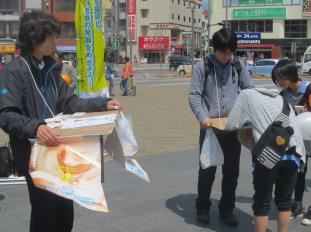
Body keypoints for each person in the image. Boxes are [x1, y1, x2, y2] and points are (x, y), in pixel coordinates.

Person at [0, 11, 121, 232]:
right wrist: (36, 127)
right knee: (44, 213)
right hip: (33, 153)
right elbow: (6, 114)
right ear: (35, 38)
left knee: (65, 213)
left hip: (59, 149)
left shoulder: (50, 68)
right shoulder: (14, 70)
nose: (55, 41)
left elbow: (70, 102)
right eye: (51, 37)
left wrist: (102, 103)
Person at [188, 28, 254, 226]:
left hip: (233, 129)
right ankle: (202, 207)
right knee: (207, 170)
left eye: (230, 52)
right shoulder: (202, 66)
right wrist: (202, 116)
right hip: (210, 128)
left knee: (231, 172)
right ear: (215, 49)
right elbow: (194, 95)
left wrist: (246, 113)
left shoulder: (238, 65)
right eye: (223, 51)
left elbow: (249, 90)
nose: (227, 56)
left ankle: (227, 210)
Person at [225, 87, 306, 232]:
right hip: (294, 152)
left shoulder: (245, 95)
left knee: (262, 202)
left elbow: (231, 124)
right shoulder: (281, 97)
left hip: (269, 155)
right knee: (285, 201)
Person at [271, 59, 310, 219]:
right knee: (299, 169)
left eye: (280, 79)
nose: (278, 83)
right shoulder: (284, 93)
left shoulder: (308, 88)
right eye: (276, 80)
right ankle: (298, 204)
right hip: (299, 137)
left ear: (290, 76)